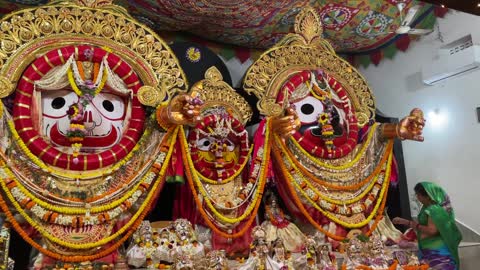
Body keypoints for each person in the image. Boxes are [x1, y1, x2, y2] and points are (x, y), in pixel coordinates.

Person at [393, 182, 462, 270]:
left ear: (428, 196)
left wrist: (411, 224)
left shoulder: (433, 209)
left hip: (437, 251)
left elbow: (432, 230)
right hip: (428, 248)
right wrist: (405, 222)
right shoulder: (426, 208)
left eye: (419, 195)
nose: (417, 197)